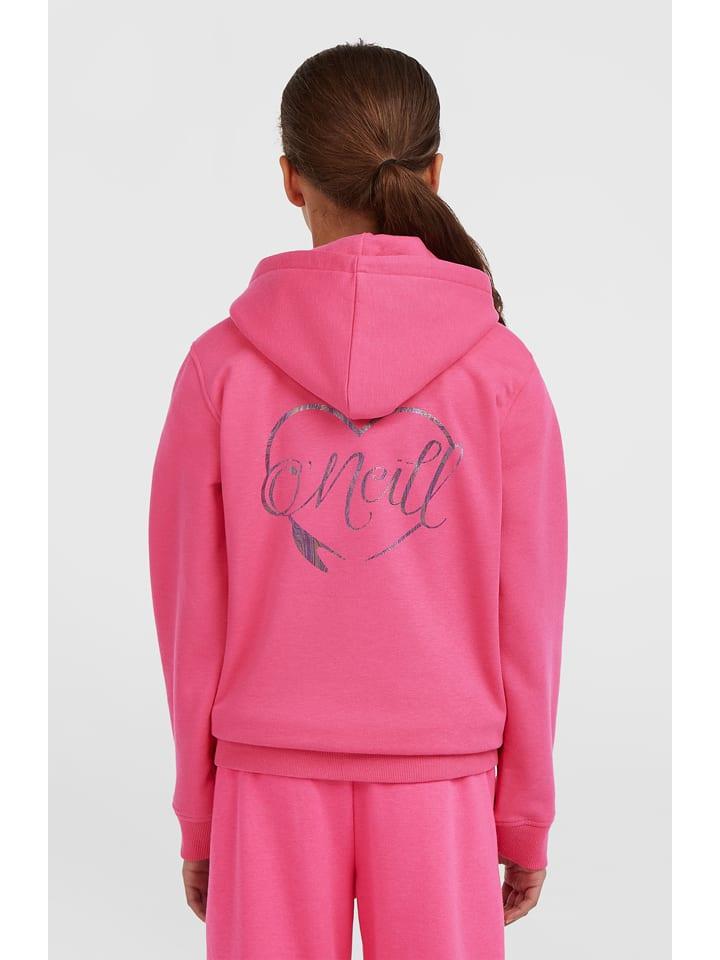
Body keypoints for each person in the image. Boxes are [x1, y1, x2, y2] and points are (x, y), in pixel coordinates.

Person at [150, 41, 567, 960]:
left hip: (265, 777)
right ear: (433, 172)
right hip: (442, 780)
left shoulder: (219, 370)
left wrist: (199, 812)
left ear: (291, 179)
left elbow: (191, 622)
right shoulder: (501, 373)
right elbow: (529, 619)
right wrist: (524, 813)